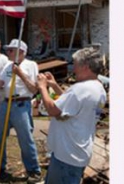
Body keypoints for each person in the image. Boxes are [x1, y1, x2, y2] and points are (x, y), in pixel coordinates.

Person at [36, 47, 107, 184]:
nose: (73, 69)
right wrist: (55, 85)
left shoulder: (80, 89)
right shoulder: (98, 88)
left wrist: (42, 87)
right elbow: (71, 104)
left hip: (67, 155)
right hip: (78, 152)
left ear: (85, 67)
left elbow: (52, 110)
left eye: (75, 65)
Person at [0, 39, 42, 183]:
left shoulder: (31, 65)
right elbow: (0, 83)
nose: (7, 52)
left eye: (11, 50)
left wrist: (20, 73)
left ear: (21, 52)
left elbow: (34, 89)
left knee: (25, 139)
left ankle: (33, 170)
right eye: (8, 49)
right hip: (5, 104)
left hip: (21, 105)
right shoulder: (8, 65)